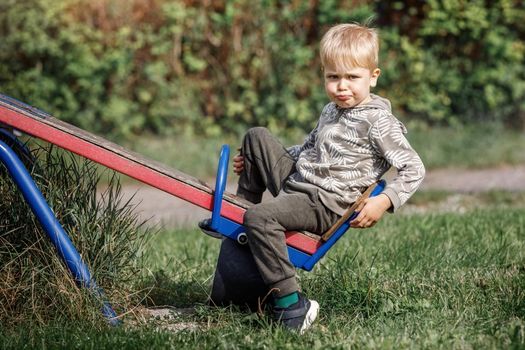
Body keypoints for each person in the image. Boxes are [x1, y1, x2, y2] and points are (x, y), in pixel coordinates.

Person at [201, 22, 425, 333]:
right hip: (300, 180)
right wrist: (256, 158)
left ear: (373, 77)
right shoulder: (331, 110)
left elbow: (414, 168)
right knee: (256, 136)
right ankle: (238, 206)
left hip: (322, 202)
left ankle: (291, 303)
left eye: (352, 77)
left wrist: (384, 201)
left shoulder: (378, 122)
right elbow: (306, 149)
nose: (342, 86)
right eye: (333, 77)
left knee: (261, 219)